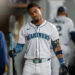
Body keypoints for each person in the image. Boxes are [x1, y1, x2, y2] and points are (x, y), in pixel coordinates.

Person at [9, 2, 68, 75]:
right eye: (31, 13)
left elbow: (56, 47)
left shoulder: (51, 27)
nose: (34, 15)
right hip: (29, 64)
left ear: (40, 9)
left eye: (35, 11)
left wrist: (62, 62)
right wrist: (14, 51)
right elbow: (20, 46)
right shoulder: (25, 28)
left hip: (45, 64)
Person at [50, 6, 75, 75]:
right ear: (65, 13)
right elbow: (73, 35)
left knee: (54, 70)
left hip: (54, 48)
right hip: (65, 48)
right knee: (65, 70)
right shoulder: (69, 21)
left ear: (58, 13)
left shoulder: (51, 21)